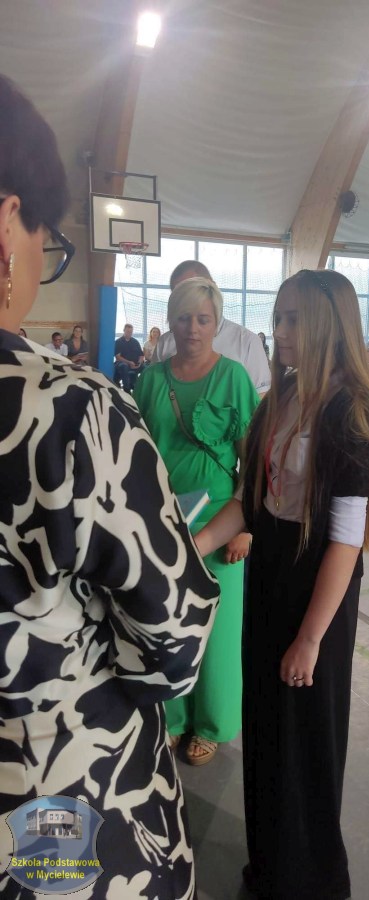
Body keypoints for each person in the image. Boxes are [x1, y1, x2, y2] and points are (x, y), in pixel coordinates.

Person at [0, 74, 220, 900]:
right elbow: (173, 642)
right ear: (6, 225)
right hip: (56, 799)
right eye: (46, 242)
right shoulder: (68, 408)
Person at [194, 268, 369, 900]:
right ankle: (271, 870)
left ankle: (313, 884)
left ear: (330, 323)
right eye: (277, 317)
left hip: (315, 596)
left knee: (306, 747)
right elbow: (249, 501)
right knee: (267, 733)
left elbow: (345, 541)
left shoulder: (349, 412)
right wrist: (192, 547)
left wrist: (309, 640)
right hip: (271, 577)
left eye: (294, 319)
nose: (278, 331)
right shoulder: (279, 398)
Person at [135, 277, 259, 766]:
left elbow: (254, 461)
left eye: (203, 319)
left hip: (222, 519)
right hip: (164, 519)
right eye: (184, 318)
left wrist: (246, 527)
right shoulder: (151, 380)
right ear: (171, 321)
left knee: (219, 631)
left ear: (216, 323)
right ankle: (174, 717)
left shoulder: (234, 378)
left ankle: (213, 724)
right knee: (168, 622)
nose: (193, 328)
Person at [153, 260, 271, 395]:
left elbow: (261, 400)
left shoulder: (247, 342)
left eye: (194, 290)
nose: (187, 299)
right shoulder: (164, 343)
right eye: (179, 294)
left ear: (212, 288)